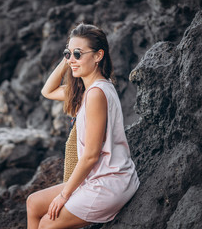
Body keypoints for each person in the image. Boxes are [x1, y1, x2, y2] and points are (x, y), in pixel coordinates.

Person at [26, 23, 140, 229]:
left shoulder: (96, 94)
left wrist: (63, 195)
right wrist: (69, 59)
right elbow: (47, 91)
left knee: (45, 224)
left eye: (78, 54)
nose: (71, 59)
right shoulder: (87, 90)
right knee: (33, 203)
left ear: (98, 56)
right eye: (68, 53)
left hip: (108, 184)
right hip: (95, 177)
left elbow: (91, 156)